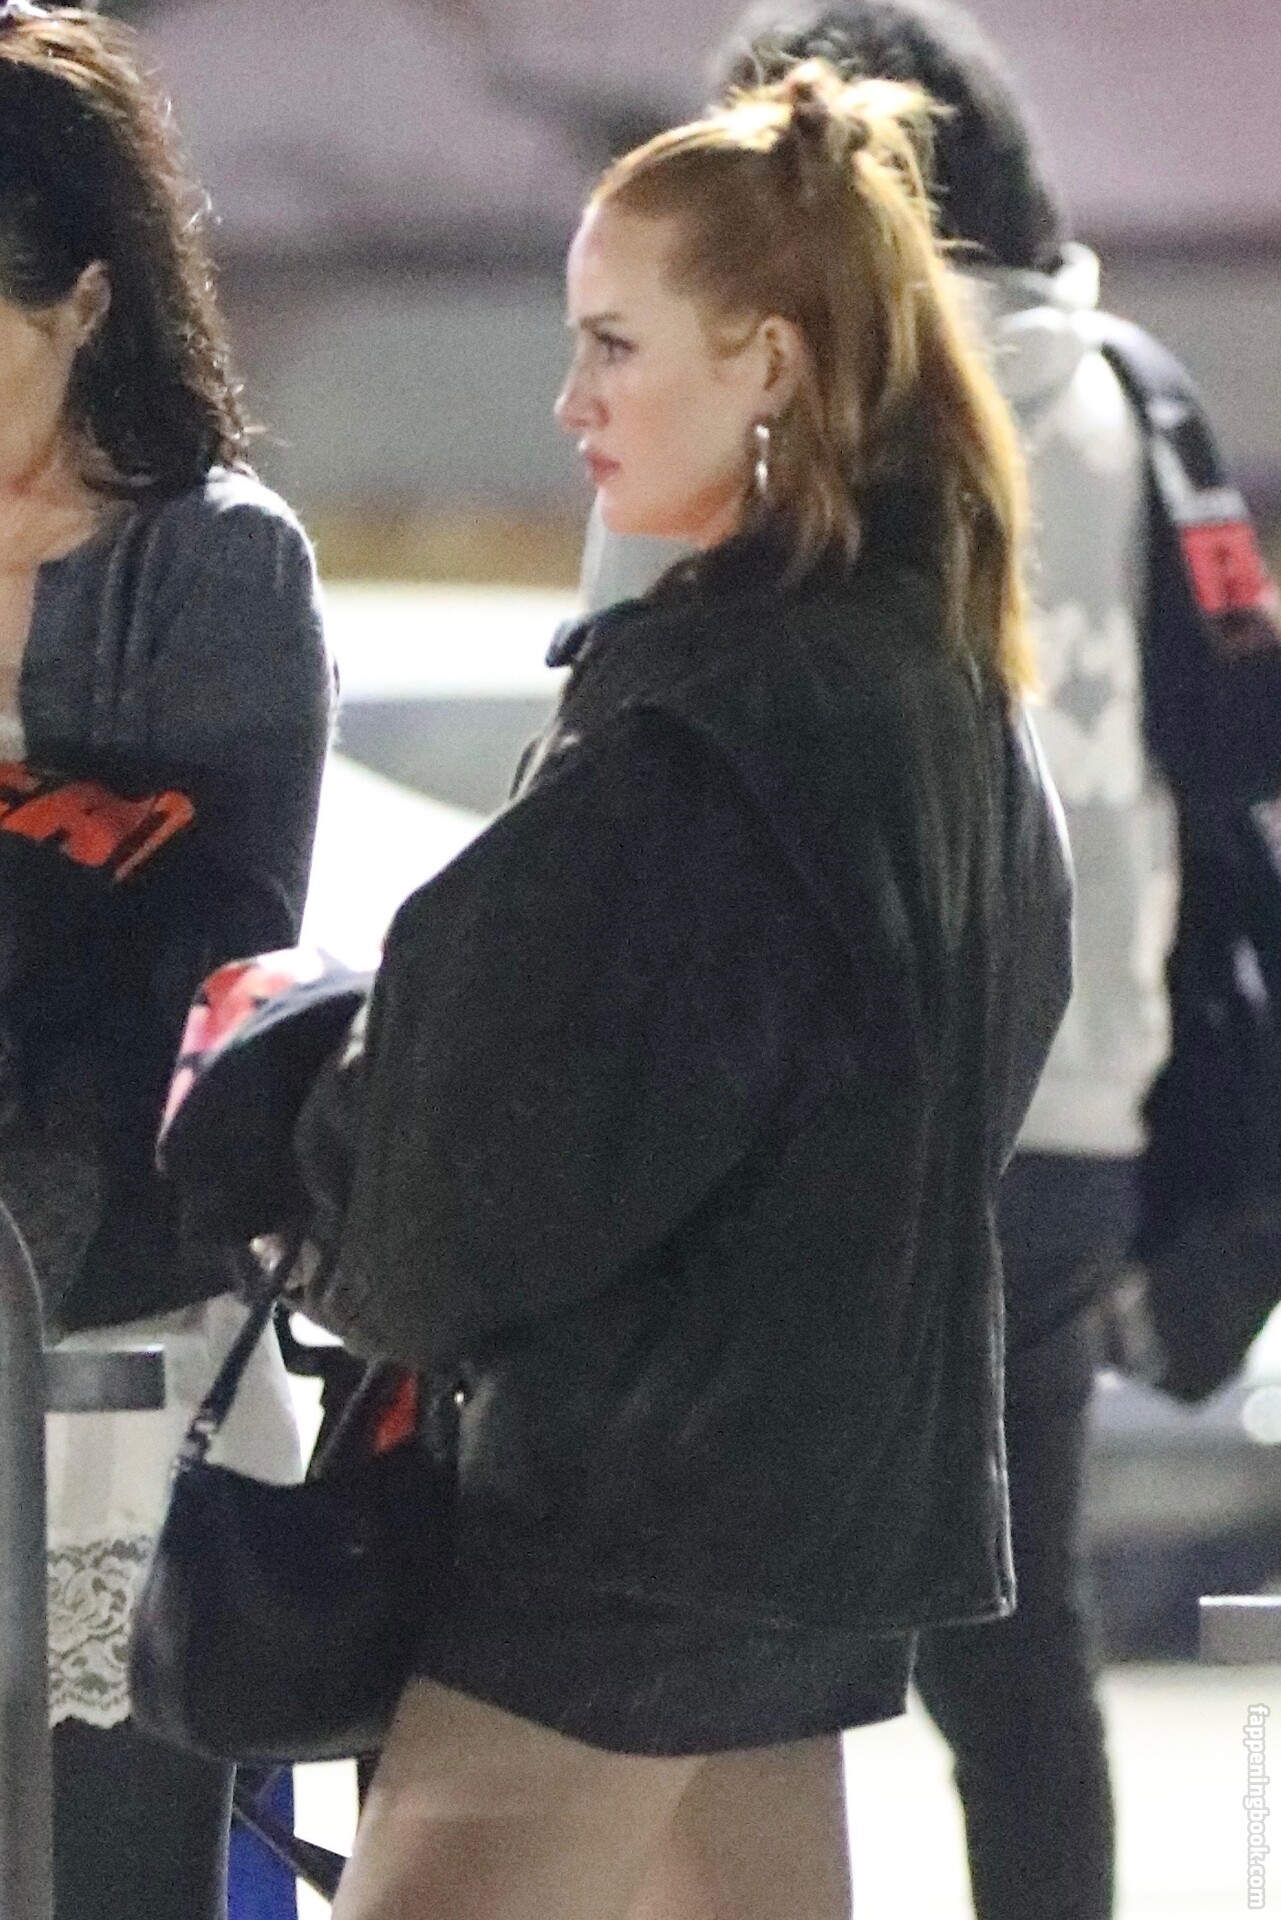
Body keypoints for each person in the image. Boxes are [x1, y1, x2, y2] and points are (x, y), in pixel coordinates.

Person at [284, 56, 1072, 1920]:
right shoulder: (938, 676)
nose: (569, 401)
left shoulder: (718, 721)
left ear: (770, 362)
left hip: (626, 1517)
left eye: (615, 345)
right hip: (818, 1504)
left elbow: (499, 1155)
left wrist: (310, 1150)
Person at [699, 6, 1163, 1917]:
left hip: (841, 1110)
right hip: (1082, 1098)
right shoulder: (1125, 394)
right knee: (1019, 1651)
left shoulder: (792, 383)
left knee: (716, 1628)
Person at [0, 6, 333, 1917]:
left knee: (122, 1865)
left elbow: (203, 977)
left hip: (112, 1332)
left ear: (87, 301)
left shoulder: (213, 566)